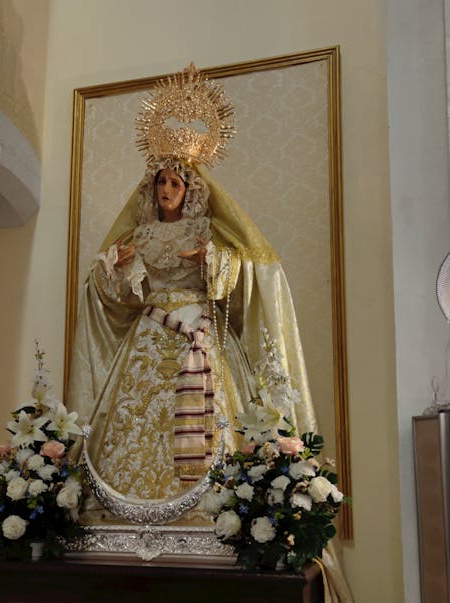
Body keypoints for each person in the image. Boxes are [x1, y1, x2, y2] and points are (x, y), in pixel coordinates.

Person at [68, 70, 315, 522]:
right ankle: (124, 510)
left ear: (191, 190)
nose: (166, 191)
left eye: (175, 184)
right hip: (148, 335)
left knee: (211, 417)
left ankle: (213, 512)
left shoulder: (206, 230)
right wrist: (116, 269)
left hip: (197, 332)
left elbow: (239, 272)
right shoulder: (139, 235)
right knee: (136, 419)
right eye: (160, 183)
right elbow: (117, 295)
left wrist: (212, 259)